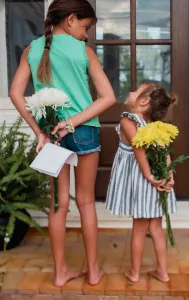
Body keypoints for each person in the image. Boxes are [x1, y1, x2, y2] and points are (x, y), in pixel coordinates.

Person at [9, 0, 116, 287]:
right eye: (85, 27)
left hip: (51, 134)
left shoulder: (33, 50)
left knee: (58, 204)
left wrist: (40, 132)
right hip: (83, 131)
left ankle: (59, 274)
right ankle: (93, 272)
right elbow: (108, 98)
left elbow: (15, 94)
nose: (86, 35)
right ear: (70, 19)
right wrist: (72, 122)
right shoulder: (84, 52)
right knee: (86, 202)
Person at [106, 83, 177, 283]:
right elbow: (164, 152)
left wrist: (148, 176)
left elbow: (139, 149)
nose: (130, 92)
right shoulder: (155, 126)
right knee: (155, 227)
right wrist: (169, 175)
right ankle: (162, 272)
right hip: (157, 177)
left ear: (144, 101)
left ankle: (135, 273)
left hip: (144, 178)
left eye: (135, 90)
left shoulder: (128, 120)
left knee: (139, 227)